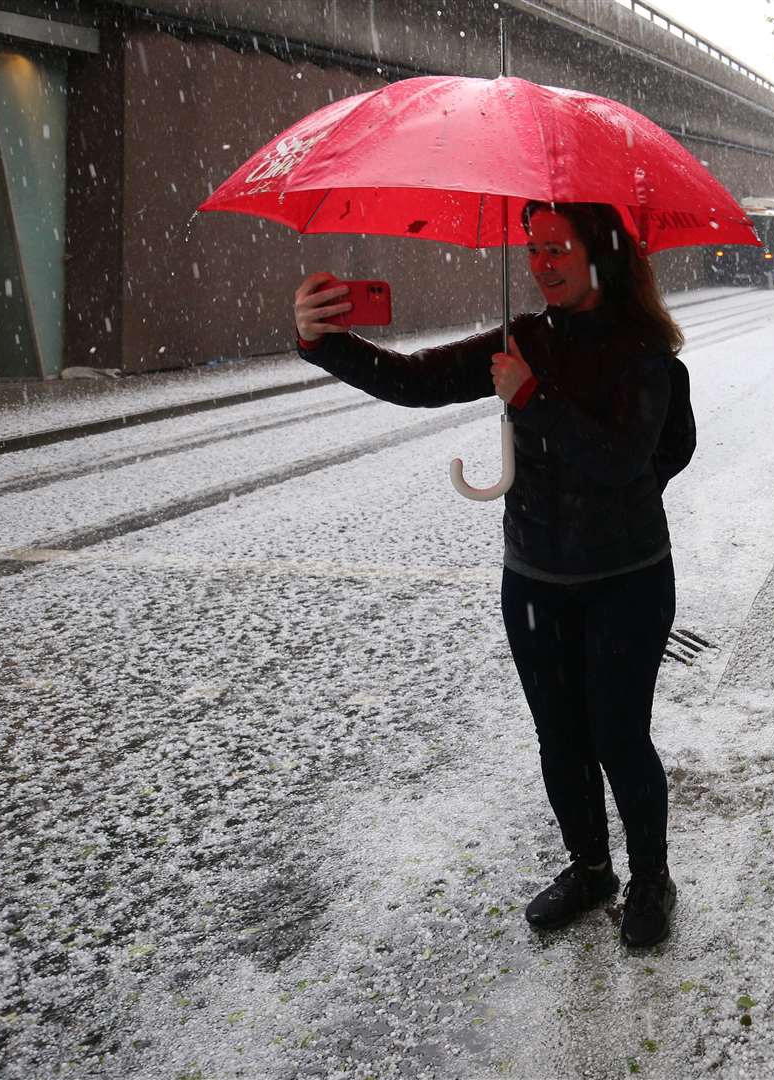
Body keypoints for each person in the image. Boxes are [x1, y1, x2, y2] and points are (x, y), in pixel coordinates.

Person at [290, 200, 692, 948]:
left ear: (601, 252)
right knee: (559, 736)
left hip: (625, 580)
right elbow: (415, 380)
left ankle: (651, 878)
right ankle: (592, 868)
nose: (541, 264)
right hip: (535, 578)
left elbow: (622, 463)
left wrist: (532, 397)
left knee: (618, 737)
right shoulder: (522, 338)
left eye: (558, 249)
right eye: (533, 248)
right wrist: (325, 342)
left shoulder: (643, 353)